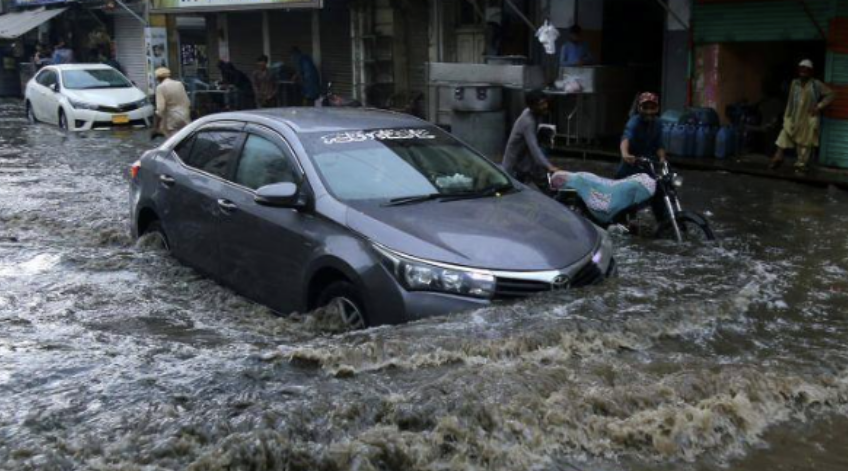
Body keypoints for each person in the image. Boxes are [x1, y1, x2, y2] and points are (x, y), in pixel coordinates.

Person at [769, 59, 836, 172]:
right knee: (784, 133)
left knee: (804, 143)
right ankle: (778, 156)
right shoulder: (794, 83)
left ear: (810, 72)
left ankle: (800, 165)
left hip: (809, 118)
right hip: (794, 116)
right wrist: (787, 116)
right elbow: (790, 101)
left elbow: (831, 94)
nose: (803, 72)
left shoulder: (816, 84)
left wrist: (818, 106)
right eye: (801, 69)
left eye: (806, 70)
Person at [502, 90, 560, 186]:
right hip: (514, 168)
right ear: (532, 107)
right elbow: (534, 148)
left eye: (545, 102)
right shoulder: (528, 121)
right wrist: (549, 167)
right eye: (541, 104)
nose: (545, 106)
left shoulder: (534, 115)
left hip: (525, 164)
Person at [617, 92, 666, 179]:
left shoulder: (658, 123)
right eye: (645, 108)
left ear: (657, 108)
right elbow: (626, 138)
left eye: (652, 108)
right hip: (632, 162)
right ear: (639, 108)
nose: (649, 111)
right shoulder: (634, 122)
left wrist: (662, 158)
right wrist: (625, 154)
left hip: (649, 164)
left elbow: (659, 144)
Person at [152, 67, 191, 139]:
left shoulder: (160, 87)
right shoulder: (179, 84)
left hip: (173, 118)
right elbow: (187, 102)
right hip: (185, 115)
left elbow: (160, 109)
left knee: (174, 142)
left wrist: (155, 127)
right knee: (185, 138)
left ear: (158, 78)